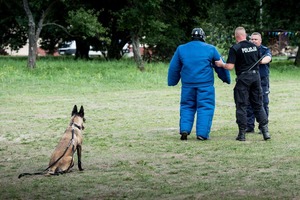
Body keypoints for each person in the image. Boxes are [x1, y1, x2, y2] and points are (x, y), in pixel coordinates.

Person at [168, 27, 231, 141]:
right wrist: (226, 78)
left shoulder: (181, 49)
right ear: (203, 37)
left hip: (187, 85)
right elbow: (219, 64)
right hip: (205, 85)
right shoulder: (211, 49)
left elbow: (174, 67)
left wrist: (172, 81)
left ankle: (185, 130)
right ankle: (202, 134)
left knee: (187, 106)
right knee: (205, 107)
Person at [215, 27, 271, 141]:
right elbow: (260, 60)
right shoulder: (255, 47)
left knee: (241, 106)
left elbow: (230, 67)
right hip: (256, 77)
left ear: (236, 36)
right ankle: (265, 131)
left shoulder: (235, 48)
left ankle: (242, 134)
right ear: (245, 35)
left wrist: (221, 64)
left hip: (243, 78)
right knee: (258, 104)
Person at [246, 32, 272, 133]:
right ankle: (249, 126)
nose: (253, 41)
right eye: (252, 39)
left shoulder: (265, 50)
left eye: (255, 39)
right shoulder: (247, 50)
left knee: (263, 103)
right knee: (248, 103)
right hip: (249, 79)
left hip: (262, 79)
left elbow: (268, 58)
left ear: (260, 41)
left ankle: (263, 126)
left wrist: (258, 61)